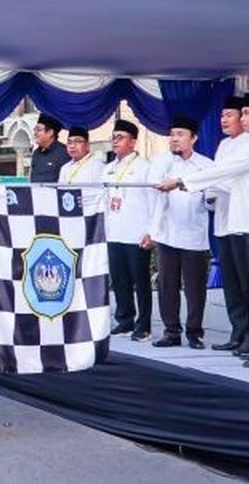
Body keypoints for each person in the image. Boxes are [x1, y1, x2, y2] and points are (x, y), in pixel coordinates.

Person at [159, 93, 249, 369]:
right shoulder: (246, 143)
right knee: (245, 285)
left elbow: (226, 171)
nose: (241, 118)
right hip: (245, 222)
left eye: (246, 114)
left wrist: (182, 180)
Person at [148, 116, 213, 349]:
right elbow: (152, 196)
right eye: (172, 134)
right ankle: (171, 331)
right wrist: (151, 231)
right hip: (167, 233)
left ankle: (194, 332)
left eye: (180, 134)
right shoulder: (162, 162)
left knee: (195, 288)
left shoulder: (206, 165)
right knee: (167, 285)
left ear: (193, 138)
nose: (174, 139)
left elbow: (213, 199)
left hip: (194, 234)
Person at [205, 97, 249, 353]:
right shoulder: (224, 144)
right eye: (222, 115)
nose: (224, 120)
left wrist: (211, 184)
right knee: (232, 283)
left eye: (230, 115)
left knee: (246, 281)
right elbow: (216, 177)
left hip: (241, 222)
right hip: (222, 219)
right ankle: (237, 331)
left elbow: (234, 180)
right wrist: (209, 193)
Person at [103, 120, 155, 341]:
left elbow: (154, 201)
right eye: (113, 137)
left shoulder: (145, 167)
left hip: (137, 233)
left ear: (133, 142)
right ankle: (124, 320)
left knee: (140, 281)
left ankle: (144, 325)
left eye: (120, 137)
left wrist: (152, 232)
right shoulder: (107, 169)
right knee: (119, 280)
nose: (115, 141)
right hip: (114, 231)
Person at [29, 113, 71, 183]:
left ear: (50, 132)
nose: (35, 133)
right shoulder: (36, 153)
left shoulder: (64, 153)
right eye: (34, 129)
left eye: (39, 130)